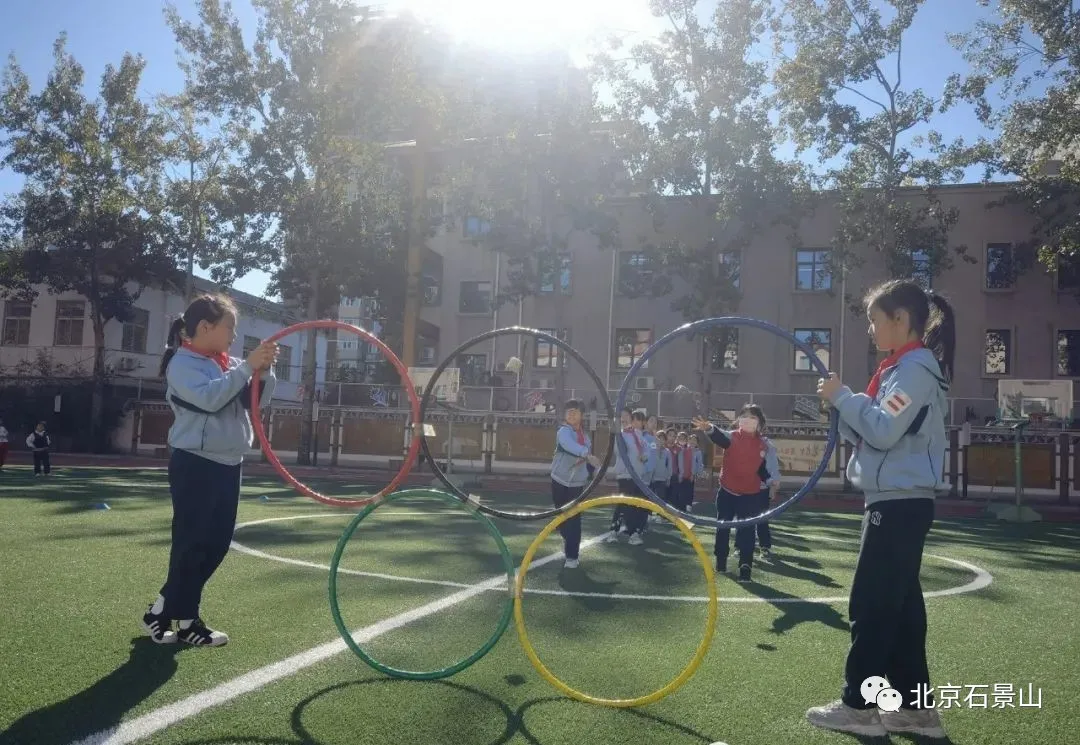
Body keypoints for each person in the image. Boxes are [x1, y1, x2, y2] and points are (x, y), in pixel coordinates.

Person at [806, 280, 954, 740]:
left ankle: (860, 706)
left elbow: (884, 430)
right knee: (901, 611)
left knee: (872, 604)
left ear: (900, 320)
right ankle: (914, 710)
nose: (871, 329)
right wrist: (845, 405)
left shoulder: (913, 369)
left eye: (874, 320)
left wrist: (843, 397)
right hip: (898, 498)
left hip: (899, 502)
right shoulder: (903, 370)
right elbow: (879, 432)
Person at [142, 294, 278, 647]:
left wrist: (263, 371)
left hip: (229, 463)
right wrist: (247, 368)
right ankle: (179, 618)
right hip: (196, 464)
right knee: (191, 545)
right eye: (230, 327)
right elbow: (211, 399)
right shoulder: (182, 365)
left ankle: (169, 613)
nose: (235, 335)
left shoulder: (227, 362)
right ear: (205, 327)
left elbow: (254, 401)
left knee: (214, 546)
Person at [694, 404, 778, 582]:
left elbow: (761, 469)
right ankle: (721, 560)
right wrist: (709, 428)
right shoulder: (732, 437)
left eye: (753, 417)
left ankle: (745, 566)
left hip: (750, 495)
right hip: (727, 492)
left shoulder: (763, 444)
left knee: (747, 531)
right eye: (745, 416)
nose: (748, 420)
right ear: (739, 419)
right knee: (723, 527)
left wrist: (770, 481)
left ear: (760, 423)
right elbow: (719, 437)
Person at [550, 399, 602, 569]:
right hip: (559, 480)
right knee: (562, 518)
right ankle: (568, 537)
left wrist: (594, 471)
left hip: (576, 485)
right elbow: (569, 446)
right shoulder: (563, 432)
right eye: (569, 411)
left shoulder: (586, 438)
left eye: (575, 411)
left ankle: (572, 556)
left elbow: (586, 462)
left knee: (573, 519)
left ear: (582, 415)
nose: (571, 414)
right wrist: (586, 454)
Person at [610, 409, 653, 545]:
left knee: (633, 505)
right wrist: (617, 430)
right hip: (625, 475)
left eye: (627, 416)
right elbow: (618, 450)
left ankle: (630, 533)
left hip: (638, 477)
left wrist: (644, 456)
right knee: (624, 504)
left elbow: (646, 451)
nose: (624, 419)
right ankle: (617, 531)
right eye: (621, 416)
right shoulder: (620, 435)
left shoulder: (639, 436)